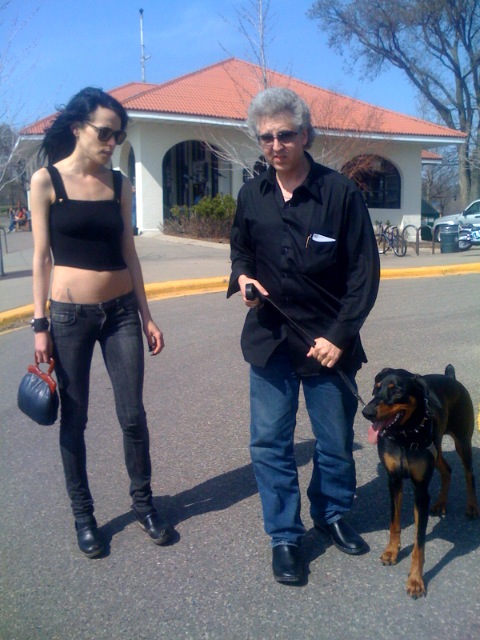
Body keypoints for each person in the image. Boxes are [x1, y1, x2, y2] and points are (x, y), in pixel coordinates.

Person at [228, 87, 380, 584]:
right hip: (271, 340)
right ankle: (285, 537)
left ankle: (332, 513)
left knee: (334, 443)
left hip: (328, 346)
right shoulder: (252, 195)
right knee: (270, 444)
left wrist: (340, 335)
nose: (275, 145)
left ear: (305, 134)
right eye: (266, 137)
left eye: (285, 135)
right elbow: (241, 255)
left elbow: (363, 274)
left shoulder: (340, 194)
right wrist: (245, 282)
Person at [30, 87, 174, 558]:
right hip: (68, 317)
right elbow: (40, 258)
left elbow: (129, 253)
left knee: (133, 415)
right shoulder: (46, 181)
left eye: (119, 135)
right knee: (75, 419)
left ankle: (144, 504)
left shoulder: (120, 183)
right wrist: (39, 324)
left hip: (120, 316)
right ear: (78, 129)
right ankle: (84, 516)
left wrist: (146, 315)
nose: (112, 142)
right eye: (105, 132)